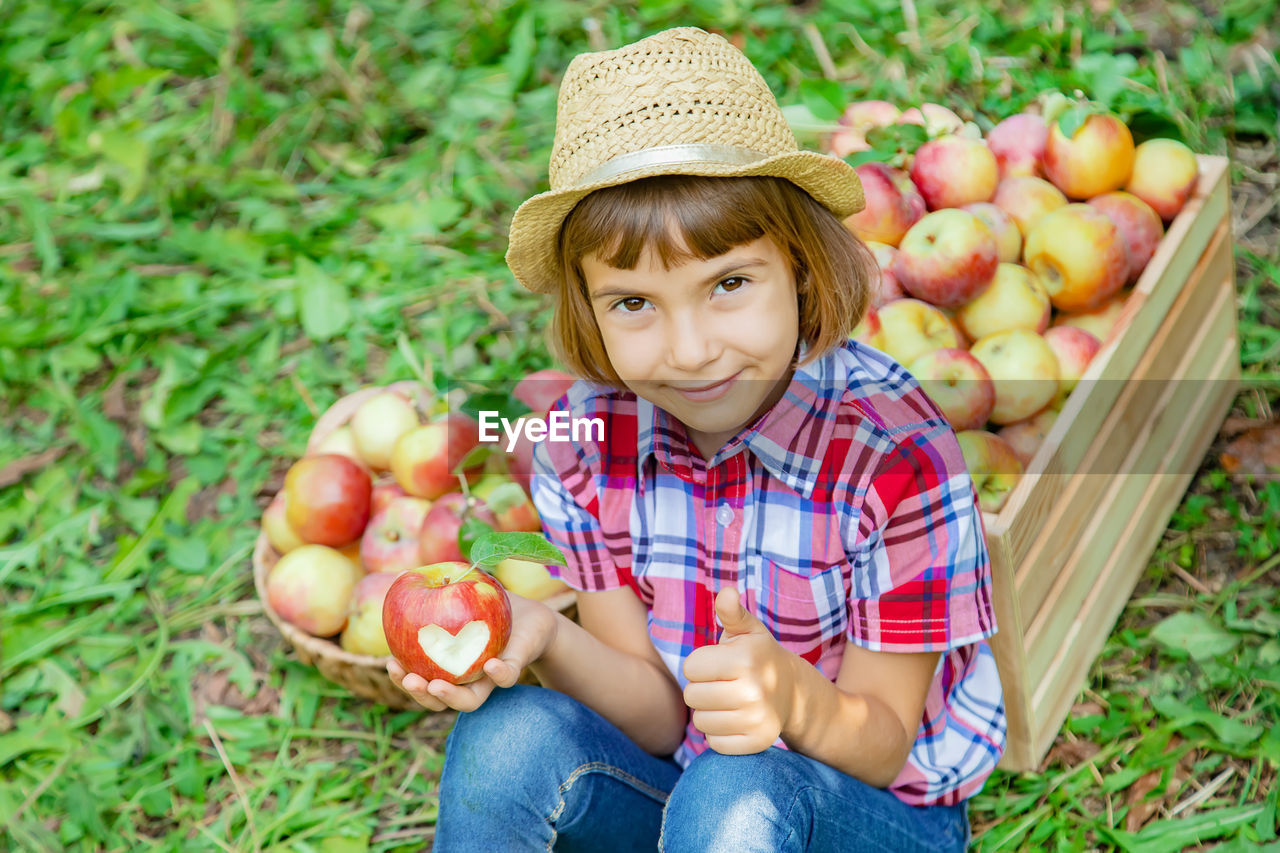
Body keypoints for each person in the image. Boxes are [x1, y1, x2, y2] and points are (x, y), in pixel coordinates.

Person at [387, 26, 1005, 852]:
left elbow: (885, 740)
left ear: (801, 266)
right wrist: (544, 636)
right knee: (508, 735)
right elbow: (654, 712)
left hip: (868, 805)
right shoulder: (584, 442)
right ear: (586, 309)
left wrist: (794, 698)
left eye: (729, 284)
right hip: (689, 796)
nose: (689, 350)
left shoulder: (892, 452)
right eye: (633, 303)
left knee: (739, 787)